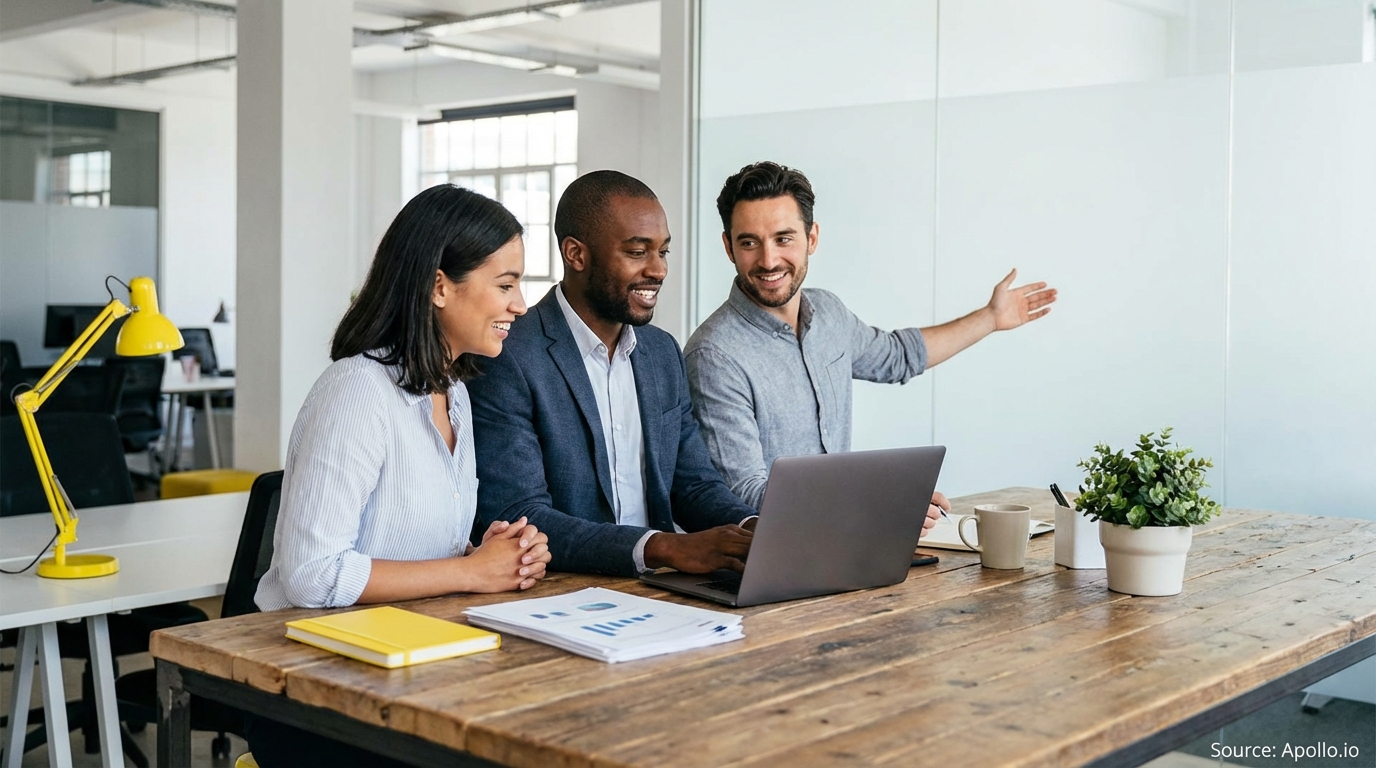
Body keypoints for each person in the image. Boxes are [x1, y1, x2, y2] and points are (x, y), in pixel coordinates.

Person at [248, 185, 551, 768]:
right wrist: (468, 572)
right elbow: (311, 575)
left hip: (406, 660)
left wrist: (488, 554)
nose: (521, 305)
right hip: (314, 690)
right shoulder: (357, 391)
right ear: (440, 286)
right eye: (507, 284)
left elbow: (407, 545)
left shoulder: (454, 393)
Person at [685, 161, 1057, 515]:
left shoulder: (828, 313)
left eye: (784, 238)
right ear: (728, 246)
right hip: (764, 559)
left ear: (811, 237)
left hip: (842, 542)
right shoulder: (714, 354)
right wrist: (884, 501)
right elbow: (747, 493)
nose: (769, 260)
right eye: (749, 243)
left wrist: (990, 317)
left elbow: (898, 356)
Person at [467, 170, 757, 578]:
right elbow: (520, 515)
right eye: (638, 252)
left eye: (663, 252)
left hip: (660, 588)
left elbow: (693, 486)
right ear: (576, 254)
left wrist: (755, 529)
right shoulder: (508, 356)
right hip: (563, 591)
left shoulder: (661, 353)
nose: (658, 270)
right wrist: (662, 548)